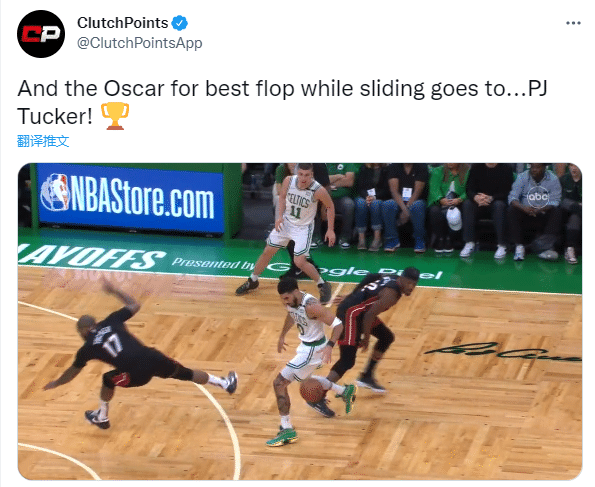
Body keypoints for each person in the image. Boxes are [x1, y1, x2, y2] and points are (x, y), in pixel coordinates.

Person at [43, 279, 238, 430]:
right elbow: (135, 304)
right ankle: (224, 383)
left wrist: (57, 382)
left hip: (133, 375)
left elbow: (72, 372)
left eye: (80, 333)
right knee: (185, 373)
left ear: (84, 330)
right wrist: (114, 291)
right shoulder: (111, 321)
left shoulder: (86, 348)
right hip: (152, 358)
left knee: (108, 379)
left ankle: (102, 416)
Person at [267, 278, 357, 447]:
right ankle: (344, 391)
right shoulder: (292, 302)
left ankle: (287, 429)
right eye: (282, 299)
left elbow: (338, 325)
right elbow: (291, 315)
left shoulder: (312, 306)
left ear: (296, 292)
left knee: (279, 383)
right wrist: (282, 335)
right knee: (305, 380)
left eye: (286, 298)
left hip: (314, 350)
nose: (285, 302)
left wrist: (330, 346)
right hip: (305, 347)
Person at [236, 163, 335, 304]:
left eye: (307, 175)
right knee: (268, 251)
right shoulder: (289, 180)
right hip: (287, 223)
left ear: (312, 175)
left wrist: (330, 229)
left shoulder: (318, 189)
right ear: (297, 173)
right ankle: (252, 280)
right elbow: (282, 197)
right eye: (301, 174)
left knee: (299, 261)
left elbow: (330, 206)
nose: (303, 178)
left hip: (303, 228)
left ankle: (322, 284)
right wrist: (279, 217)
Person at [323, 267, 420, 399]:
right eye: (409, 283)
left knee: (386, 337)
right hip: (349, 314)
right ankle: (320, 392)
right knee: (347, 361)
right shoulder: (391, 294)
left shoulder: (392, 276)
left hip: (361, 313)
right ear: (402, 278)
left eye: (414, 284)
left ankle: (367, 376)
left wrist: (353, 295)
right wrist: (366, 338)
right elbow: (370, 315)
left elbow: (370, 276)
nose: (411, 287)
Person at [507, 163, 563, 261]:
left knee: (557, 211)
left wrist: (541, 209)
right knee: (511, 209)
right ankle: (519, 246)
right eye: (532, 167)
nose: (534, 169)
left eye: (537, 167)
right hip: (525, 213)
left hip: (543, 213)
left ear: (544, 168)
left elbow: (556, 200)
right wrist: (523, 208)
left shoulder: (553, 179)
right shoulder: (522, 177)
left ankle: (545, 247)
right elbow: (512, 197)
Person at [460, 163, 514, 259]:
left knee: (499, 205)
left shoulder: (506, 168)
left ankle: (502, 245)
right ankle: (469, 243)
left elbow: (508, 191)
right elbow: (469, 189)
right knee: (467, 204)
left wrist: (491, 198)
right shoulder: (476, 167)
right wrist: (475, 197)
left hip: (496, 201)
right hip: (479, 202)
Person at [383, 163, 429, 253]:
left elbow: (417, 191)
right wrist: (404, 210)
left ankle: (419, 240)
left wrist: (407, 209)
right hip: (399, 201)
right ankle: (392, 239)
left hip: (416, 200)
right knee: (388, 204)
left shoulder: (421, 166)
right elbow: (394, 191)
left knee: (417, 206)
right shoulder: (393, 167)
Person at [428, 164, 470, 253]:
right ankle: (440, 238)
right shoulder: (438, 171)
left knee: (460, 211)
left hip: (459, 202)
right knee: (434, 211)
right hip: (440, 201)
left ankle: (450, 239)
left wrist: (459, 199)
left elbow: (469, 189)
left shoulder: (467, 172)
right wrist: (440, 199)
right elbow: (434, 188)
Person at [354, 164, 392, 251]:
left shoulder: (387, 169)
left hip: (380, 197)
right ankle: (361, 239)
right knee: (360, 203)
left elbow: (388, 190)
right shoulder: (364, 168)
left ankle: (377, 239)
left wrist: (375, 197)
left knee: (376, 204)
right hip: (365, 196)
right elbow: (360, 187)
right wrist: (367, 197)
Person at [327, 163, 358, 249]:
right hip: (324, 197)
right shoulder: (324, 164)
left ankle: (345, 237)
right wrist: (338, 176)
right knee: (313, 203)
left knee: (349, 205)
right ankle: (315, 237)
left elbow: (349, 182)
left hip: (341, 198)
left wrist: (330, 183)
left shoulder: (348, 163)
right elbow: (320, 180)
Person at [559, 164, 582, 264]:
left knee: (575, 217)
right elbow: (560, 199)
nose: (574, 168)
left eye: (576, 165)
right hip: (567, 209)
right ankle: (569, 249)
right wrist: (577, 205)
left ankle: (569, 248)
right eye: (571, 165)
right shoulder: (563, 179)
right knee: (573, 210)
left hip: (579, 213)